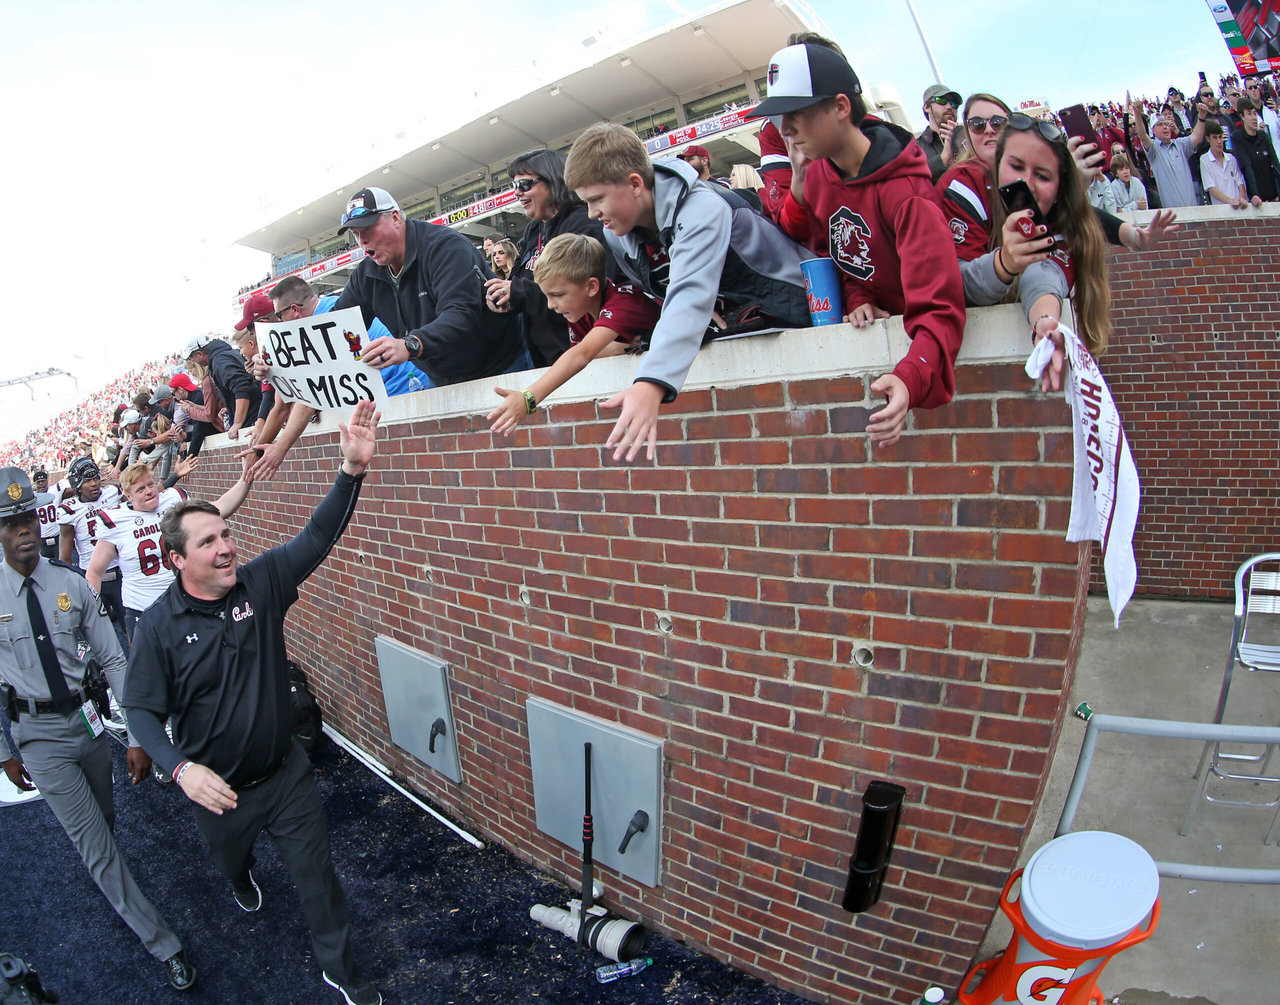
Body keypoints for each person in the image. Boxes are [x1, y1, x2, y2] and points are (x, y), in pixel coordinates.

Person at [124, 400, 385, 1005]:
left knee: (317, 877)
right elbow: (140, 711)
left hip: (285, 774)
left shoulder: (262, 582)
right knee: (231, 865)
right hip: (218, 793)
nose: (225, 548)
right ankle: (240, 875)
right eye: (209, 542)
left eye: (226, 534)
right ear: (177, 560)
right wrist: (181, 769)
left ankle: (341, 971)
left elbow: (317, 536)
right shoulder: (159, 627)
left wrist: (351, 471)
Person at [0, 468, 196, 991]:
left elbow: (114, 660)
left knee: (104, 820)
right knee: (97, 845)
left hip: (87, 726)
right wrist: (3, 750)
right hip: (38, 738)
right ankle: (164, 944)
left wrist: (136, 736)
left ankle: (108, 874)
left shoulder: (68, 583)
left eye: (25, 518)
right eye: (8, 522)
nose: (20, 530)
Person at [563, 121, 811, 462]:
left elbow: (689, 294)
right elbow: (675, 293)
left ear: (635, 184)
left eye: (597, 199)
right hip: (740, 325)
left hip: (805, 312)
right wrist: (706, 300)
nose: (592, 214)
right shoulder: (617, 234)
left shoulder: (701, 205)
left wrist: (650, 383)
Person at [764, 43, 965, 447]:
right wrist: (857, 295)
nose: (784, 129)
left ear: (840, 107)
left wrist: (910, 376)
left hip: (928, 346)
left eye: (797, 113)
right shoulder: (819, 173)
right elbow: (838, 254)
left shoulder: (907, 192)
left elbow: (942, 308)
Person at [335, 187, 529, 387]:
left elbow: (460, 314)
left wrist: (409, 345)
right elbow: (338, 324)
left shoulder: (446, 247)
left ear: (394, 218)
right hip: (440, 377)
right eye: (356, 234)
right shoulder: (365, 274)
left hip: (501, 364)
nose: (362, 240)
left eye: (368, 229)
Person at [241, 277, 418, 482]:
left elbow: (308, 399)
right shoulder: (330, 307)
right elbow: (285, 400)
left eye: (280, 315)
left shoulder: (322, 323)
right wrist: (270, 369)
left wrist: (279, 450)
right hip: (396, 393)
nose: (280, 322)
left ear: (295, 310)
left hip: (404, 392)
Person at [488, 234, 659, 434]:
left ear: (591, 286)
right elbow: (582, 351)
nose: (551, 305)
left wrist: (528, 398)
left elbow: (581, 354)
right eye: (547, 296)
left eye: (558, 295)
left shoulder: (624, 302)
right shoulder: (580, 313)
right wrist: (618, 347)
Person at [86, 462, 248, 644]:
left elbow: (220, 508)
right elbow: (94, 571)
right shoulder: (116, 520)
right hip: (143, 609)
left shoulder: (173, 500)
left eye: (150, 484)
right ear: (128, 496)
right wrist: (90, 612)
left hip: (186, 602)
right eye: (140, 489)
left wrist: (245, 478)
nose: (149, 491)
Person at [483, 149, 612, 368]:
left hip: (591, 354)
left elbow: (581, 288)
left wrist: (519, 292)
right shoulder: (534, 229)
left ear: (552, 181)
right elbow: (517, 282)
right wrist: (504, 298)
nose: (517, 193)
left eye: (524, 185)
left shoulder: (584, 221)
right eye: (514, 186)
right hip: (546, 358)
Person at [1128, 89, 1208, 208]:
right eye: (1160, 125)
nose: (1165, 127)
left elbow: (1197, 136)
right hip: (1172, 214)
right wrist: (1137, 114)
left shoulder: (1181, 144)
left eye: (1166, 124)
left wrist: (1201, 118)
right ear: (1153, 130)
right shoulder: (1154, 149)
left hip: (1192, 210)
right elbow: (1142, 135)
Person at [185, 334, 262, 442]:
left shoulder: (219, 360)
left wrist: (237, 423)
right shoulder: (225, 354)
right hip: (257, 413)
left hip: (254, 417)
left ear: (200, 354)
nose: (193, 361)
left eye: (192, 358)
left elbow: (241, 388)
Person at [1230, 97, 1280, 204]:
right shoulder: (1238, 137)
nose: (1254, 117)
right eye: (1249, 113)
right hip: (1257, 200)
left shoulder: (1263, 136)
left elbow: (1275, 164)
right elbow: (1247, 166)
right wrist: (1254, 194)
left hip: (1274, 196)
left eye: (1254, 113)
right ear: (1242, 116)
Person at [917, 84, 962, 182]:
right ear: (927, 107)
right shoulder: (917, 147)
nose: (949, 106)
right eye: (942, 101)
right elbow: (915, 181)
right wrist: (944, 157)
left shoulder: (968, 137)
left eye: (954, 104)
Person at [1200, 120, 1249, 208]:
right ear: (1208, 138)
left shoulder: (1231, 158)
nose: (1219, 141)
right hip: (1221, 209)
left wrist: (1242, 199)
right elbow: (1211, 188)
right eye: (1215, 138)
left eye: (1220, 137)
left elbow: (1240, 181)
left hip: (1239, 208)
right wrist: (1230, 201)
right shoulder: (1204, 159)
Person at [30, 469, 59, 559]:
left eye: (43, 481)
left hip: (58, 536)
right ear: (35, 484)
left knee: (62, 565)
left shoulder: (56, 490)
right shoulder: (32, 498)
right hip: (42, 539)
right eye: (38, 482)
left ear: (47, 481)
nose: (41, 484)